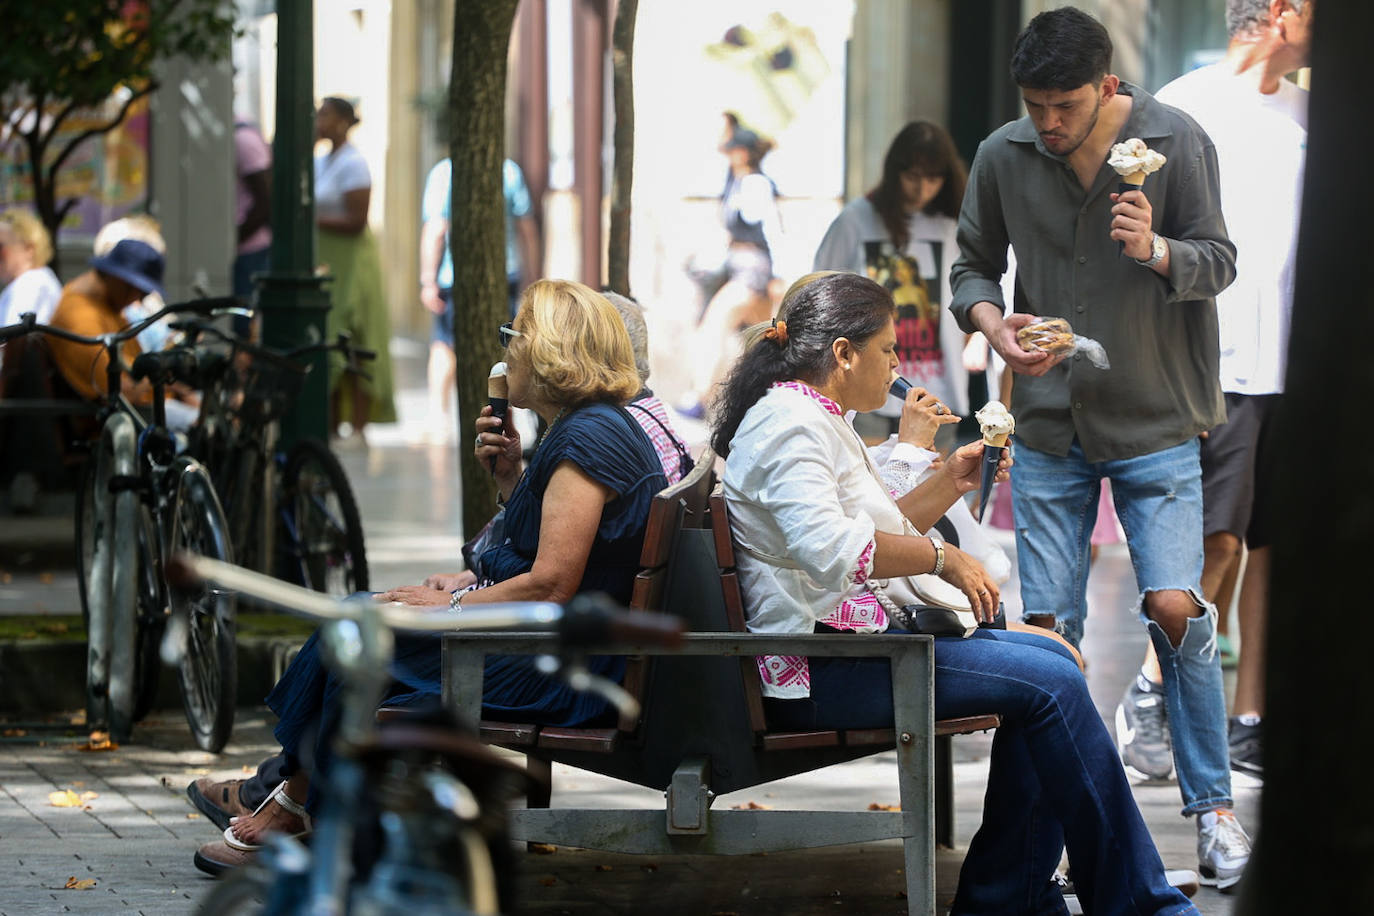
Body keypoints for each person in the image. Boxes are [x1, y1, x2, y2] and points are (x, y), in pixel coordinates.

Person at [712, 272, 1196, 915]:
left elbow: (871, 528)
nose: (897, 365)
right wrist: (946, 556)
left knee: (1054, 661)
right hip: (822, 667)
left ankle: (1010, 897)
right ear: (843, 354)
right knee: (1050, 683)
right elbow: (835, 549)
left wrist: (950, 482)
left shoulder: (811, 416)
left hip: (857, 645)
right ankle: (1132, 901)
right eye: (887, 350)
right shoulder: (789, 424)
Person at [190, 279, 669, 875]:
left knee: (366, 634)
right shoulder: (582, 429)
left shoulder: (590, 436)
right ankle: (300, 803)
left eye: (515, 335)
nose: (507, 347)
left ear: (549, 353)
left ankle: (301, 808)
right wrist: (509, 476)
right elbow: (549, 555)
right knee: (366, 617)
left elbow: (551, 584)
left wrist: (453, 606)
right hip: (552, 646)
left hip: (564, 668)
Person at [947, 7, 1249, 891]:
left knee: (1175, 609)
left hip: (1156, 412)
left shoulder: (1176, 140)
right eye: (1036, 103)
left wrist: (1156, 249)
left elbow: (1220, 259)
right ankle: (1046, 847)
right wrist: (993, 327)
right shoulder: (1005, 154)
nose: (1049, 121)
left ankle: (1215, 811)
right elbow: (971, 264)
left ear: (1107, 88)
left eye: (1066, 104)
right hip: (1047, 418)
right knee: (1048, 640)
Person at [1118, 0, 1313, 786]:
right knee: (1216, 541)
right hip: (1209, 362)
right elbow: (1134, 236)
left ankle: (1250, 719)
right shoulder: (1184, 104)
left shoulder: (1314, 115)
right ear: (1280, 12)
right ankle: (1149, 688)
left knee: (1271, 545)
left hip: (1295, 365)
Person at [813, 121, 987, 451]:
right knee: (870, 487)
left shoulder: (955, 224)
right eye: (913, 176)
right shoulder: (856, 219)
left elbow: (980, 282)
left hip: (939, 381)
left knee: (931, 487)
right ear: (895, 173)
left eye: (933, 178)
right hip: (866, 383)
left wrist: (978, 334)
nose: (922, 188)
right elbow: (820, 290)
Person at [419, 156, 538, 438]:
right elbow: (526, 228)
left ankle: (439, 417)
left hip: (455, 275)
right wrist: (532, 277)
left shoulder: (443, 173)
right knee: (505, 344)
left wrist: (427, 280)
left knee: (445, 345)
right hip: (505, 273)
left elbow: (435, 230)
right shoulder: (509, 171)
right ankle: (503, 412)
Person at [679, 116, 783, 419]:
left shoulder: (755, 185)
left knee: (716, 325)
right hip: (741, 269)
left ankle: (700, 396)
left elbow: (773, 231)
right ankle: (762, 399)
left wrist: (776, 275)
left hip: (754, 272)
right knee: (761, 342)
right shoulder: (735, 184)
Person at [314, 96, 396, 447]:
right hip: (328, 265)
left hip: (353, 264)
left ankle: (360, 427)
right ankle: (333, 425)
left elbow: (356, 220)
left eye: (326, 115)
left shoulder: (354, 164)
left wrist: (311, 220)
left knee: (355, 339)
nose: (320, 120)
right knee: (330, 340)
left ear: (345, 121)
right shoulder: (320, 162)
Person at [0, 208, 61, 333]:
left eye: (0, 246)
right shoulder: (32, 281)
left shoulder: (31, 283)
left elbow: (10, 343)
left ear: (29, 249)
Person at [233, 120, 273, 300]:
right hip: (243, 247)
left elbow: (265, 200)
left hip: (251, 248)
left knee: (245, 319)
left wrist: (236, 238)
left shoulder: (244, 139)